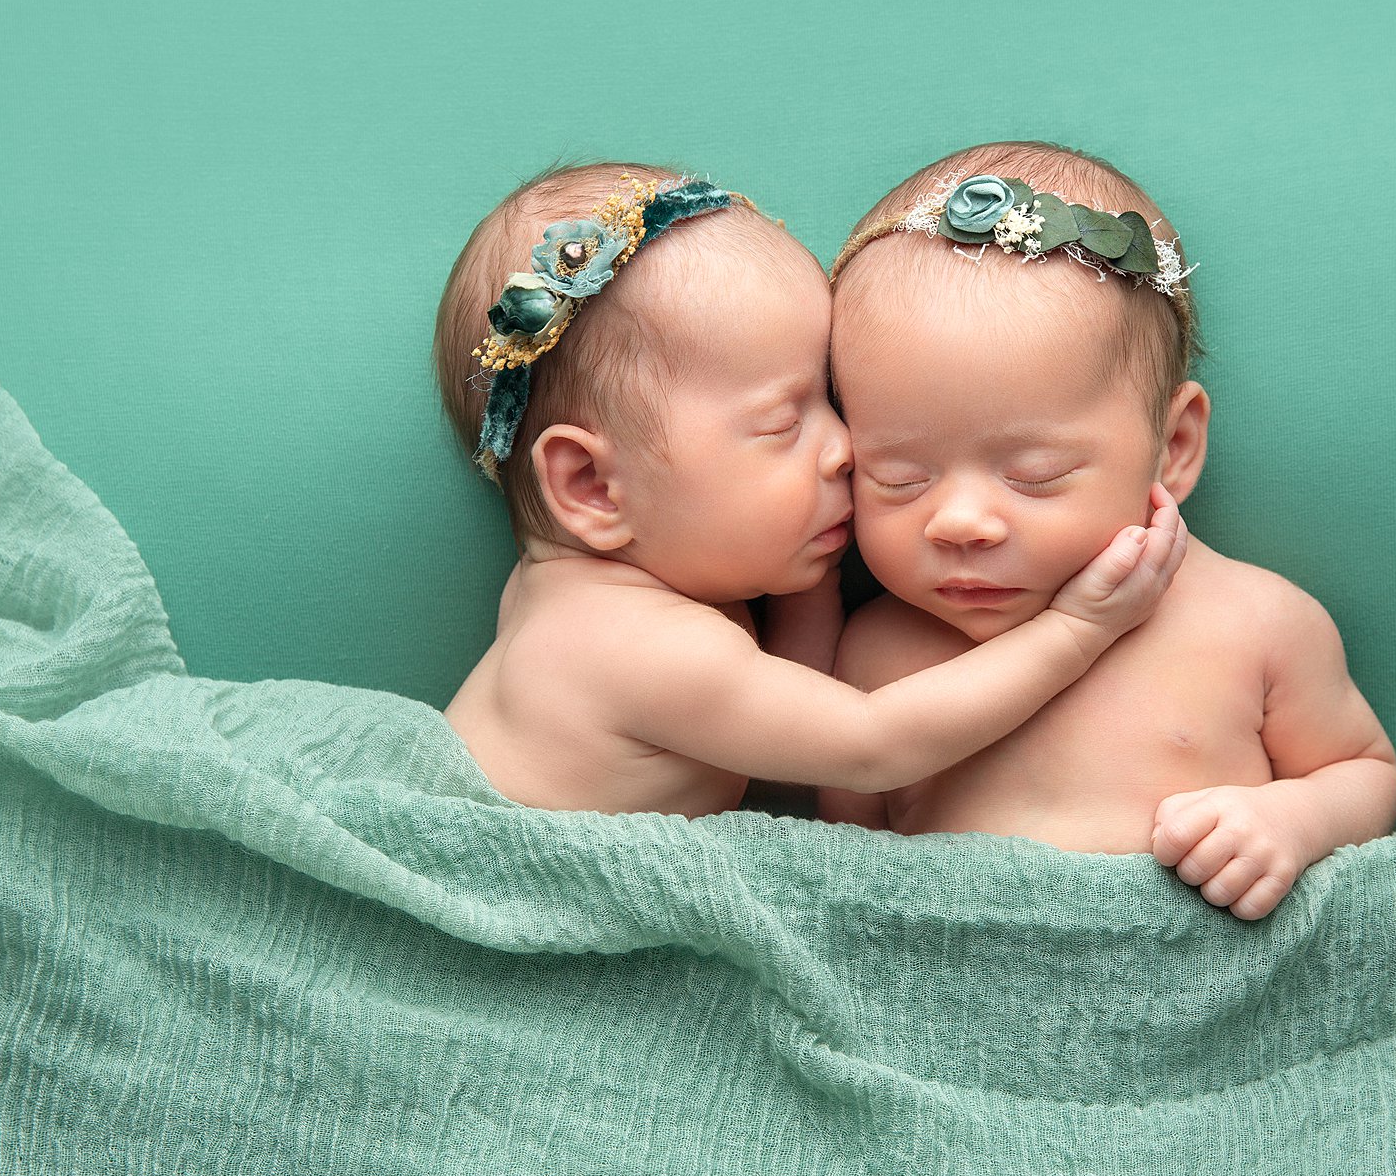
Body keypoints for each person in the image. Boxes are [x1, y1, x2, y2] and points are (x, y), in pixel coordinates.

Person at [429, 161, 1185, 818]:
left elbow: (785, 694)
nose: (844, 448)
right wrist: (1078, 629)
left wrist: (808, 570)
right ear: (593, 485)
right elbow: (870, 744)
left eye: (834, 401)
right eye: (785, 421)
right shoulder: (634, 647)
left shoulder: (564, 594)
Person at [820, 141, 1396, 920]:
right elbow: (831, 875)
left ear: (1175, 447)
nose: (959, 521)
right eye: (898, 479)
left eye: (1032, 475)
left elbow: (1364, 770)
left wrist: (1292, 822)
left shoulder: (1256, 622)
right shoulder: (875, 655)